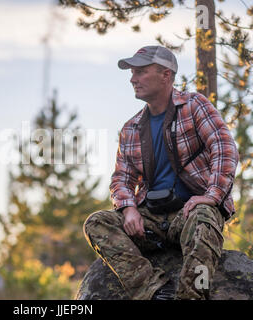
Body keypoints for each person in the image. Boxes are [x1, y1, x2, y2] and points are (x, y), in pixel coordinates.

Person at [83, 45, 239, 300]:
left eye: (141, 72)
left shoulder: (194, 105)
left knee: (203, 215)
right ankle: (154, 291)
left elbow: (224, 148)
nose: (133, 79)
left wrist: (212, 196)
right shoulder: (131, 127)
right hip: (152, 221)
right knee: (97, 222)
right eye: (132, 73)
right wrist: (128, 208)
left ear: (166, 75)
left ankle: (191, 297)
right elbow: (121, 178)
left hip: (189, 215)